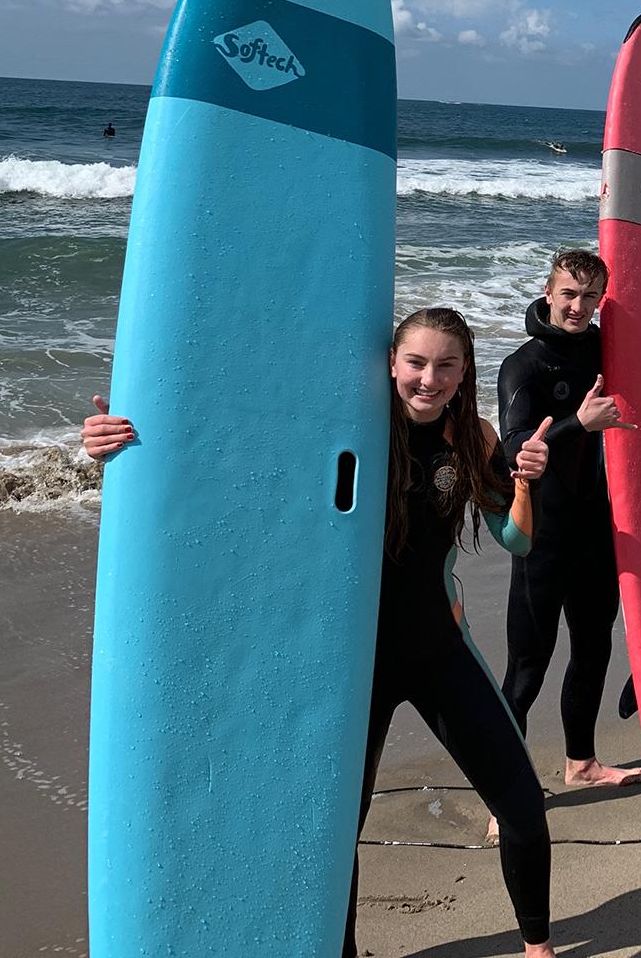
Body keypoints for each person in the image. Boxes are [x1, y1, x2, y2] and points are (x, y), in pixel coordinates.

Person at [81, 308, 560, 958]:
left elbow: (517, 538)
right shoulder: (349, 432)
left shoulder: (470, 437)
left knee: (523, 805)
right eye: (416, 362)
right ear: (391, 363)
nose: (429, 379)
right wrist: (127, 439)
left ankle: (538, 948)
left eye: (447, 365)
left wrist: (525, 478)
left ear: (464, 371)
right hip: (344, 662)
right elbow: (230, 453)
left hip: (438, 649)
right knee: (335, 835)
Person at [494, 250, 641, 792]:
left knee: (593, 647)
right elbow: (514, 446)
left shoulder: (608, 349)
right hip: (543, 537)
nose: (579, 307)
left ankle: (581, 763)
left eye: (590, 297)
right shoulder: (524, 364)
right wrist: (574, 425)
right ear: (548, 291)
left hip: (595, 530)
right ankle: (507, 788)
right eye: (569, 294)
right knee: (528, 666)